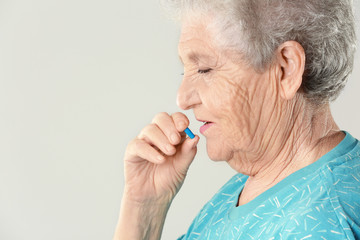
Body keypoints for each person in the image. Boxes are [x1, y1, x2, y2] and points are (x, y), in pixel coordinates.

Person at [113, 0, 360, 239]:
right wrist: (144, 208)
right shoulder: (253, 187)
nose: (182, 98)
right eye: (184, 71)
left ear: (286, 69)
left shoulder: (320, 225)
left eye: (204, 69)